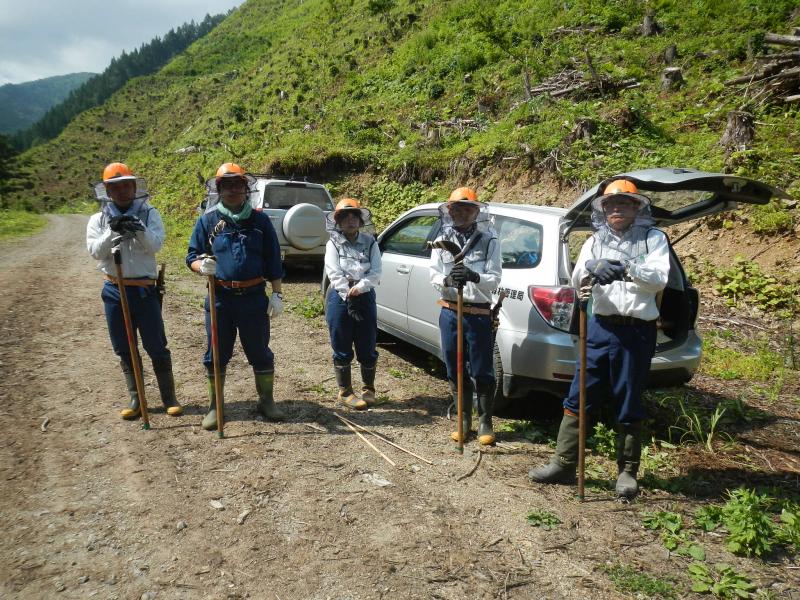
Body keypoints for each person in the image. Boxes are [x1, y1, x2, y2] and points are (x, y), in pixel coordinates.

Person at [528, 178, 670, 498]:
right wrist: (591, 265)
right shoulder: (596, 240)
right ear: (603, 210)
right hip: (599, 326)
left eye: (624, 204)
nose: (617, 209)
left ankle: (628, 471)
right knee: (579, 393)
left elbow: (660, 277)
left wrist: (624, 268)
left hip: (636, 331)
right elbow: (578, 279)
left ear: (637, 207)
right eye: (610, 205)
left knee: (629, 397)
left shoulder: (653, 238)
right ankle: (563, 463)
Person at [186, 163, 286, 430]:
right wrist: (200, 266)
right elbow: (192, 256)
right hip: (220, 297)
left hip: (254, 296)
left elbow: (273, 259)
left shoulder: (259, 220)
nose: (232, 189)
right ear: (218, 189)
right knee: (216, 353)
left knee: (260, 351)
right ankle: (215, 406)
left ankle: (266, 401)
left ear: (245, 188)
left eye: (237, 184)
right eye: (226, 185)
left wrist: (277, 294)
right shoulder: (207, 221)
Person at [86, 162, 182, 419]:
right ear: (107, 189)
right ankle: (136, 398)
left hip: (144, 290)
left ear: (134, 186)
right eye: (115, 186)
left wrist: (138, 227)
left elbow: (155, 246)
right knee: (123, 346)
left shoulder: (150, 214)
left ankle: (169, 398)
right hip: (114, 290)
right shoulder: (98, 219)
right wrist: (112, 231)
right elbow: (96, 252)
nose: (122, 190)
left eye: (126, 184)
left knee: (156, 344)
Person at [429, 187, 502, 445]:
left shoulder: (489, 240)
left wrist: (474, 276)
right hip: (450, 311)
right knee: (454, 365)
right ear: (450, 211)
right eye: (457, 208)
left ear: (477, 211)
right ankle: (463, 419)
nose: (462, 212)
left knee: (482, 368)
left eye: (468, 208)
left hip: (478, 313)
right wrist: (448, 279)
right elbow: (434, 275)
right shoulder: (441, 240)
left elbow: (494, 280)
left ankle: (485, 422)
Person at [324, 198, 382, 410]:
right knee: (341, 341)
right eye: (345, 217)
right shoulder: (333, 243)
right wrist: (347, 293)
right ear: (338, 221)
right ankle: (345, 391)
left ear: (360, 219)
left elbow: (376, 272)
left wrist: (362, 287)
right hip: (339, 298)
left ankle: (369, 388)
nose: (350, 220)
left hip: (365, 296)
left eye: (354, 216)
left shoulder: (370, 242)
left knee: (367, 342)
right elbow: (333, 271)